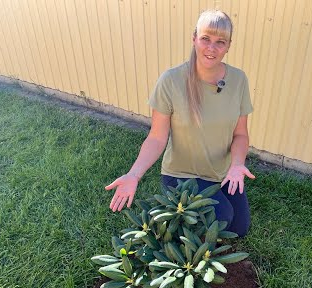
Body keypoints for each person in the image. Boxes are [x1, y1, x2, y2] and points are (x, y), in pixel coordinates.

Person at [105, 9, 255, 237]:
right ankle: (174, 219)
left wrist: (236, 164)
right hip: (181, 175)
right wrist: (134, 174)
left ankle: (189, 215)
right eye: (205, 39)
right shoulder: (171, 81)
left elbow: (241, 134)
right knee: (221, 217)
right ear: (194, 37)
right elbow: (156, 137)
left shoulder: (238, 80)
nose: (211, 48)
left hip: (221, 172)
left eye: (220, 42)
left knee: (238, 229)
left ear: (228, 45)